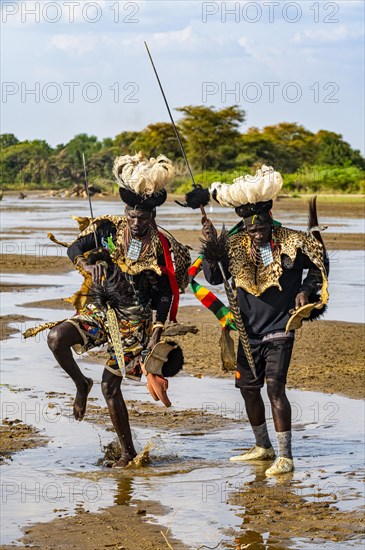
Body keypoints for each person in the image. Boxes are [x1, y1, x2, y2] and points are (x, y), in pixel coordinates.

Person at [24, 152, 190, 467]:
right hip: (103, 312)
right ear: (125, 212)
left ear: (152, 217)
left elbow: (167, 294)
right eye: (132, 216)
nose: (137, 223)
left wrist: (155, 334)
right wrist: (89, 263)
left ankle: (128, 453)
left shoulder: (164, 247)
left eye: (143, 218)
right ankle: (79, 384)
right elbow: (75, 247)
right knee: (56, 338)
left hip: (137, 324)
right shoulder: (107, 231)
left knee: (109, 386)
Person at [184, 165, 329, 475]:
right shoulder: (235, 245)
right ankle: (263, 447)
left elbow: (319, 265)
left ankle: (286, 455)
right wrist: (212, 245)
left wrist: (304, 292)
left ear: (270, 221)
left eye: (263, 226)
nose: (258, 233)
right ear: (245, 229)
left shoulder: (291, 241)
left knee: (275, 387)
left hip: (281, 327)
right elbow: (212, 276)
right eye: (252, 229)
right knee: (249, 389)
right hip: (248, 330)